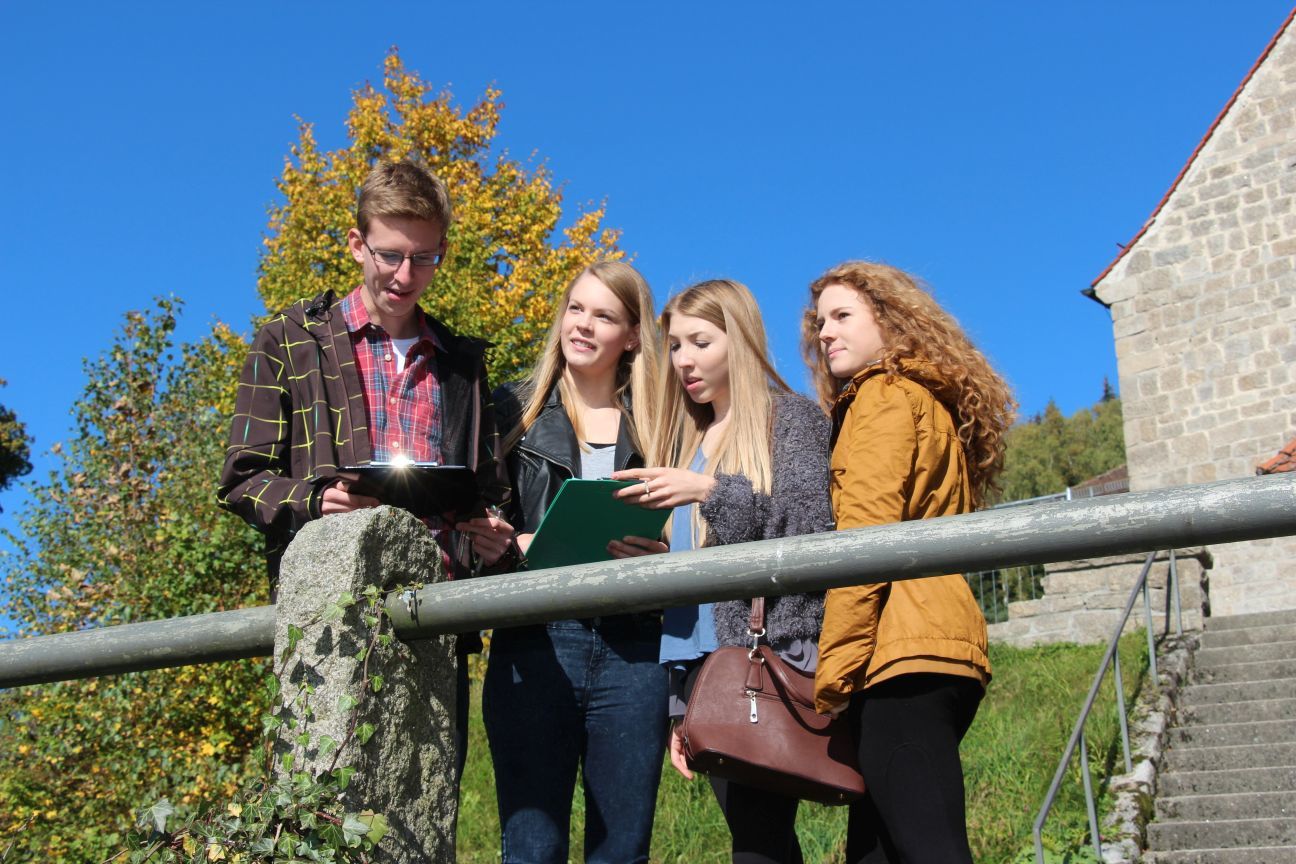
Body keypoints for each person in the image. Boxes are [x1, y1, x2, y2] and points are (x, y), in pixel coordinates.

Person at [217, 158, 514, 775]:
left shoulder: (461, 363)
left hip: (437, 617)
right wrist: (315, 498)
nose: (406, 275)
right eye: (390, 255)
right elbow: (242, 479)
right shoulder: (290, 340)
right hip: (328, 617)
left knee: (427, 815)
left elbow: (490, 493)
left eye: (425, 258)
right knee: (326, 808)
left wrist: (490, 534)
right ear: (357, 244)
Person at [613, 278, 834, 864]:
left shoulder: (792, 420)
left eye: (700, 341)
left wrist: (711, 491)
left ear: (738, 339)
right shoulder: (686, 441)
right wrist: (678, 701)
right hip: (698, 669)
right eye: (677, 345)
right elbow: (695, 580)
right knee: (756, 840)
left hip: (768, 661)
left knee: (758, 844)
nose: (684, 359)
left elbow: (806, 528)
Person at [805, 261, 1015, 864]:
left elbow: (864, 542)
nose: (825, 332)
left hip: (902, 656)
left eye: (843, 316)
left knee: (930, 850)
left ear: (891, 323)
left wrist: (835, 676)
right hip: (929, 646)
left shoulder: (883, 396)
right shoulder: (924, 399)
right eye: (821, 321)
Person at [485, 260, 666, 864]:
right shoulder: (511, 413)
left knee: (624, 850)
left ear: (634, 336)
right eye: (576, 308)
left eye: (604, 315)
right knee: (532, 849)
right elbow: (475, 531)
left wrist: (665, 551)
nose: (583, 325)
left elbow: (695, 525)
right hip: (535, 642)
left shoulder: (662, 424)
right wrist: (520, 543)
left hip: (634, 650)